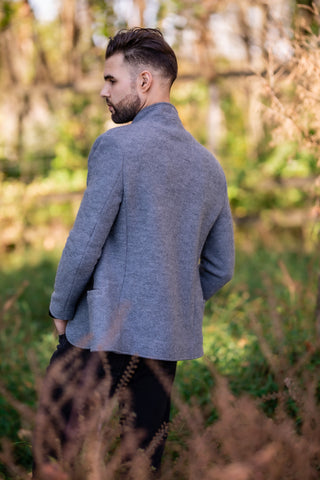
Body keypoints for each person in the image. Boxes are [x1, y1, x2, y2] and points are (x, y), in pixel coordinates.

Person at [33, 27, 234, 478]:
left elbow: (85, 242)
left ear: (144, 81)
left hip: (99, 335)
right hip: (162, 346)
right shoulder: (208, 166)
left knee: (54, 456)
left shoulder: (117, 146)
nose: (103, 91)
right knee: (140, 467)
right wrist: (170, 302)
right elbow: (221, 268)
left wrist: (61, 308)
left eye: (111, 80)